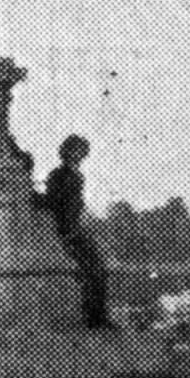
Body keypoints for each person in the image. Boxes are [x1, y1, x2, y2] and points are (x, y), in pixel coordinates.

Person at [41, 135, 113, 330]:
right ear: (65, 152)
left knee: (97, 270)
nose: (77, 155)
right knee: (95, 270)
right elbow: (53, 203)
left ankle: (97, 317)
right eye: (73, 151)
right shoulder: (60, 175)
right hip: (68, 232)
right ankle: (96, 319)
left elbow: (73, 206)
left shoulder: (75, 176)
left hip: (75, 229)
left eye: (80, 152)